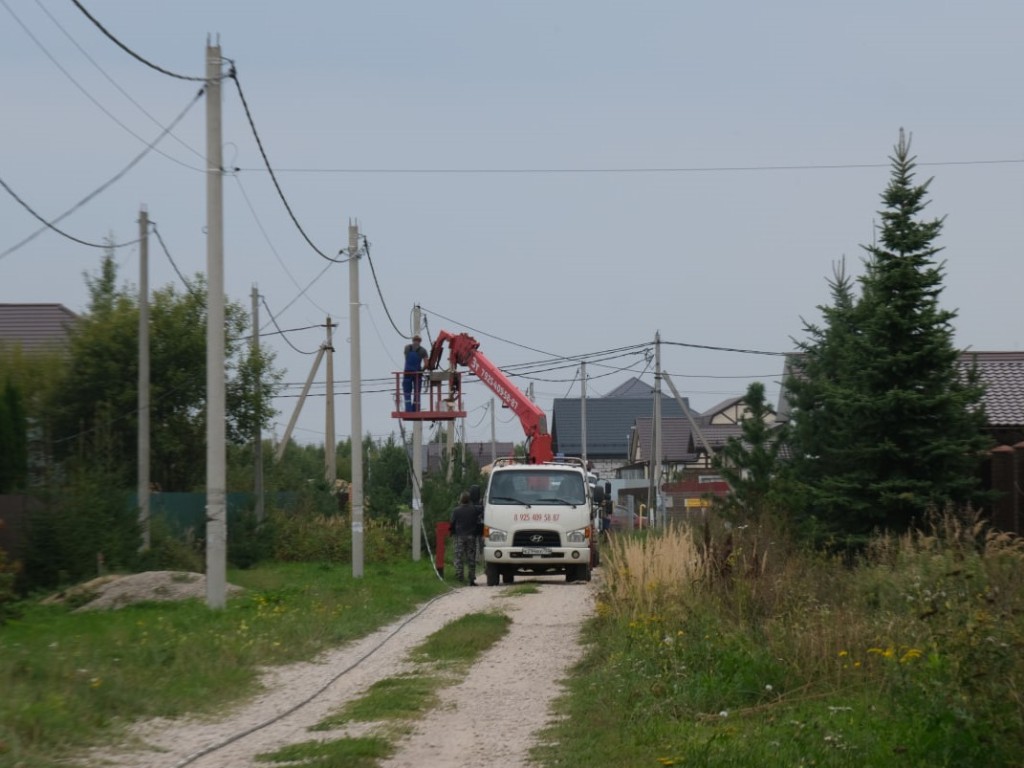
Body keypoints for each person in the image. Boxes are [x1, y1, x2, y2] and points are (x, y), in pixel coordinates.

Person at [449, 490, 479, 585]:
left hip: (460, 536)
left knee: (459, 557)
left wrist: (452, 532)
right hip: (471, 536)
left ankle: (459, 577)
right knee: (471, 558)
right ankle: (471, 578)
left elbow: (452, 523)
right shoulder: (474, 509)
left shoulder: (456, 511)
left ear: (461, 499)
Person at [402, 335, 428, 412]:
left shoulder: (407, 348)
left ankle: (408, 409)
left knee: (407, 391)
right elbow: (426, 364)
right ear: (420, 341)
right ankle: (416, 409)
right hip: (417, 373)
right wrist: (422, 371)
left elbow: (406, 358)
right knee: (417, 392)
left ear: (413, 340)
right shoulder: (423, 350)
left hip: (407, 372)